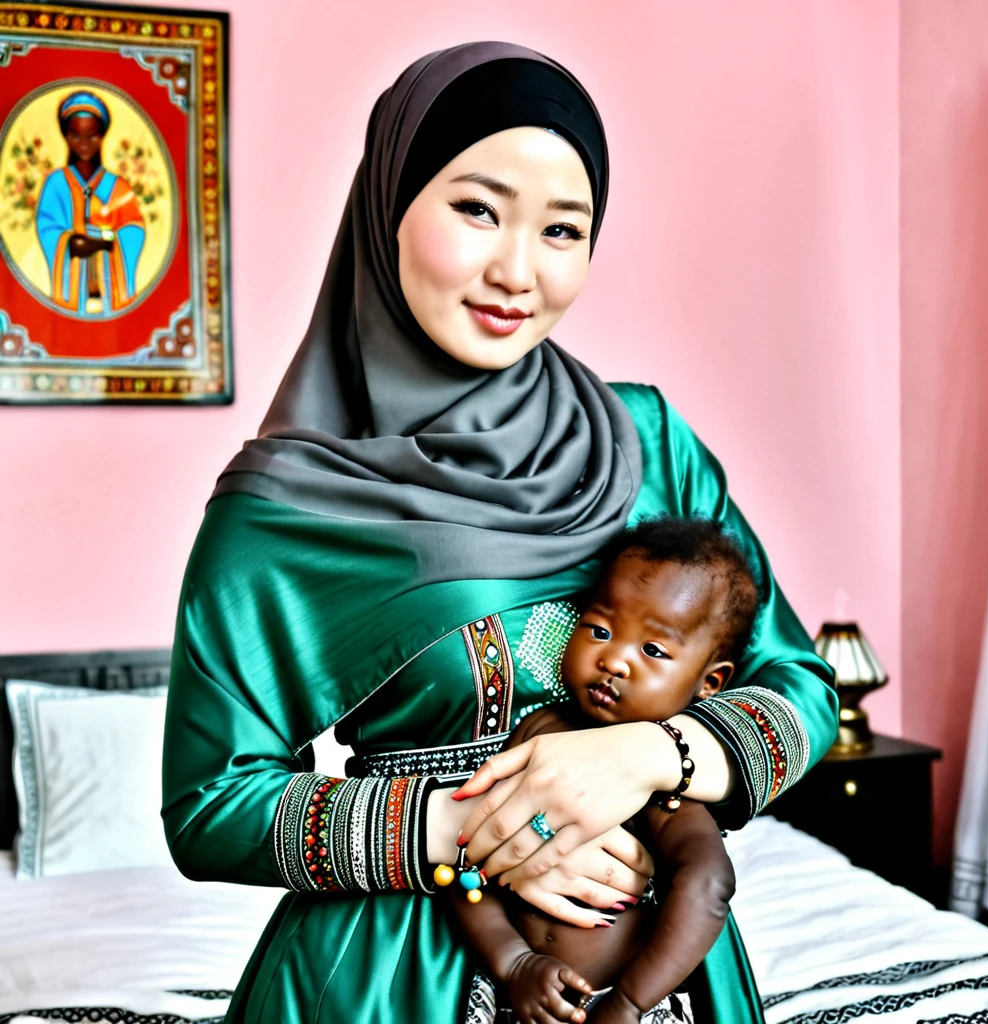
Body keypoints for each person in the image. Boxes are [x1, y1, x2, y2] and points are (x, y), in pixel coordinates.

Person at [161, 42, 838, 1024]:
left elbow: (797, 685)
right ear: (389, 201)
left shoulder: (645, 442)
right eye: (476, 209)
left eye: (563, 229)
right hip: (386, 977)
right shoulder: (283, 509)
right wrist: (465, 824)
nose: (517, 271)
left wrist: (647, 758)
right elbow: (207, 805)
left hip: (651, 978)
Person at [446, 516, 757, 1024]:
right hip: (515, 995)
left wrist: (630, 1003)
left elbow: (708, 883)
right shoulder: (535, 737)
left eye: (653, 650)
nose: (614, 659)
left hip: (618, 1002)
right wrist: (515, 962)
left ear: (710, 682)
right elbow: (466, 861)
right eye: (601, 629)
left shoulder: (662, 774)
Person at [35, 90, 145, 317]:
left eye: (92, 135)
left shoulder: (118, 187)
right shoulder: (56, 184)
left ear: (102, 135)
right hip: (70, 294)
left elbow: (133, 228)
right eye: (76, 136)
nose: (84, 144)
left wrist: (108, 241)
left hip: (109, 288)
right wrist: (72, 241)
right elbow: (48, 229)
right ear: (66, 136)